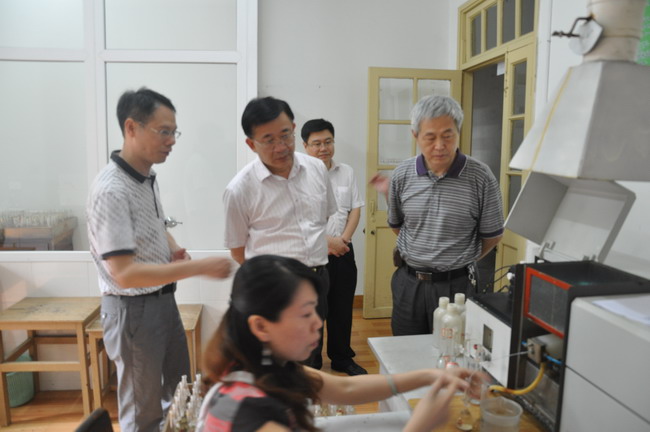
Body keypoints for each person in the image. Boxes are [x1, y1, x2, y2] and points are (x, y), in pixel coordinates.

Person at [197, 255, 484, 432]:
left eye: (315, 310)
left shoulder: (265, 366)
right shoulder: (246, 414)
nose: (318, 322)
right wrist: (420, 425)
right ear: (261, 326)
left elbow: (345, 389)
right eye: (305, 314)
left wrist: (431, 376)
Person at [87, 87, 232, 432]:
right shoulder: (112, 190)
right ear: (131, 128)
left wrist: (172, 247)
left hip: (162, 301)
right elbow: (124, 274)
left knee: (179, 394)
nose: (171, 141)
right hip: (132, 309)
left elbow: (155, 223)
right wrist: (198, 267)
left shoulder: (147, 176)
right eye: (163, 131)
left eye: (174, 132)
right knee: (144, 412)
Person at [370, 95, 504, 336]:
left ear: (458, 132)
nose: (440, 145)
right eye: (430, 137)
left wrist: (457, 261)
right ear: (415, 135)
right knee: (405, 349)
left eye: (447, 135)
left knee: (453, 350)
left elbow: (492, 236)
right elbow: (398, 226)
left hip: (457, 287)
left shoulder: (481, 177)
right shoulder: (402, 174)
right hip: (409, 283)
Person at [223, 97, 337, 369]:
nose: (281, 147)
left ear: (294, 129)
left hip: (317, 279)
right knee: (276, 366)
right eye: (269, 140)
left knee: (310, 359)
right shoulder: (239, 189)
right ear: (251, 144)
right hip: (274, 291)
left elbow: (321, 220)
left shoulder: (316, 169)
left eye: (286, 135)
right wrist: (273, 283)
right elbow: (238, 251)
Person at [301, 119, 367, 376]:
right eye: (316, 143)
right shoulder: (298, 177)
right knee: (313, 311)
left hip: (344, 251)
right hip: (312, 255)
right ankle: (312, 362)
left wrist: (344, 241)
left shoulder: (346, 171)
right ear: (305, 146)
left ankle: (341, 357)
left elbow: (355, 208)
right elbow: (299, 219)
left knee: (342, 307)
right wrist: (328, 243)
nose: (323, 148)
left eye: (328, 142)